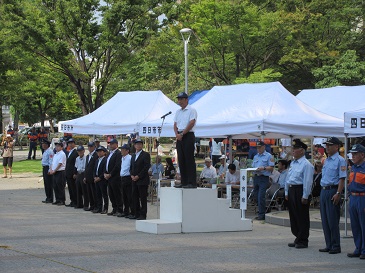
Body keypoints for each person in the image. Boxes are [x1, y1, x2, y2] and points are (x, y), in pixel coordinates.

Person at [318, 137, 346, 255]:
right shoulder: (327, 160)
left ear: (336, 146)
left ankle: (335, 245)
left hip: (333, 190)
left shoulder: (340, 160)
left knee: (332, 220)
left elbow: (342, 178)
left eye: (329, 145)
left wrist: (338, 193)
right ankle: (328, 244)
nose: (327, 147)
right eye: (326, 145)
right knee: (325, 220)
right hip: (324, 190)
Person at [285, 139, 314, 249]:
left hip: (300, 190)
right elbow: (289, 178)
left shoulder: (306, 164)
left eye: (295, 149)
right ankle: (297, 236)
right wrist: (287, 191)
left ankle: (303, 239)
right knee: (294, 215)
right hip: (292, 189)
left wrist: (305, 195)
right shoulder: (293, 163)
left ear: (302, 151)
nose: (293, 151)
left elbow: (307, 181)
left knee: (302, 216)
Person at [173, 92, 197, 189]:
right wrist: (177, 135)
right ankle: (184, 181)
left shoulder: (192, 110)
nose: (179, 101)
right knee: (181, 159)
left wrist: (182, 134)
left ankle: (192, 182)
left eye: (181, 99)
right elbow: (175, 125)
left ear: (186, 99)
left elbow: (192, 122)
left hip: (188, 135)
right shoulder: (178, 112)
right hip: (179, 135)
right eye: (179, 99)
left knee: (189, 159)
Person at [347, 144, 365, 259]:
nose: (352, 156)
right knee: (355, 225)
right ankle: (358, 248)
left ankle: (364, 250)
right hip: (353, 198)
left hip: (362, 198)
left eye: (355, 154)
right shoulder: (353, 167)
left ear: (362, 155)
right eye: (352, 154)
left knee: (363, 225)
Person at [252, 141, 275, 220]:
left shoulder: (269, 156)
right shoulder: (255, 156)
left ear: (264, 147)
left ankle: (262, 215)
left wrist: (264, 168)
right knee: (255, 195)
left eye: (260, 147)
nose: (258, 149)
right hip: (256, 177)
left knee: (261, 196)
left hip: (264, 177)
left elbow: (272, 168)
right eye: (257, 148)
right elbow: (253, 166)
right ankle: (263, 210)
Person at [130, 139, 151, 220]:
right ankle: (136, 213)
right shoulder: (133, 155)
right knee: (134, 196)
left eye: (140, 144)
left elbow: (146, 167)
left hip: (142, 180)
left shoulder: (145, 155)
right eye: (137, 144)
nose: (138, 145)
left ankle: (143, 214)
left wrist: (138, 176)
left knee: (142, 198)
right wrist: (132, 175)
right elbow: (131, 167)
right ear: (134, 146)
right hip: (134, 179)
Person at [104, 138, 122, 217]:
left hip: (115, 177)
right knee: (111, 194)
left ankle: (119, 209)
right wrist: (105, 173)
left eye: (112, 144)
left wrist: (110, 174)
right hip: (109, 177)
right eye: (109, 144)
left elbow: (117, 166)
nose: (110, 145)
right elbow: (106, 164)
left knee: (117, 193)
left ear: (116, 144)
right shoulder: (109, 153)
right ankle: (114, 208)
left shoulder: (118, 153)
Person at [49, 141, 66, 206]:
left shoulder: (62, 154)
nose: (57, 147)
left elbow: (60, 163)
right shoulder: (55, 154)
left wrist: (55, 170)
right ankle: (57, 199)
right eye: (56, 146)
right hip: (54, 172)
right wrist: (51, 169)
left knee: (60, 186)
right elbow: (53, 163)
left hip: (60, 171)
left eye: (58, 146)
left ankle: (62, 200)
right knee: (55, 186)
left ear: (61, 147)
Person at [83, 142, 98, 211]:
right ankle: (91, 205)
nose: (89, 148)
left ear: (94, 147)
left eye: (91, 146)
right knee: (89, 193)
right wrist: (85, 176)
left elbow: (95, 167)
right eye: (88, 147)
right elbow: (86, 167)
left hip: (93, 177)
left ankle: (96, 206)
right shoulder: (88, 156)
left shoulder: (96, 155)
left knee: (94, 193)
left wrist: (94, 176)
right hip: (88, 177)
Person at [119, 144, 133, 218]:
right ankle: (126, 210)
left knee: (129, 195)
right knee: (124, 196)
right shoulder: (122, 158)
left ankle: (132, 211)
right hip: (122, 178)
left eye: (123, 150)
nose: (122, 151)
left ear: (127, 151)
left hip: (128, 178)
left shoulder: (130, 158)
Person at [94, 146, 108, 214]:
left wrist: (100, 177)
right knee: (98, 194)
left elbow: (105, 170)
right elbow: (95, 169)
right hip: (96, 179)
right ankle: (99, 208)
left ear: (104, 152)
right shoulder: (97, 160)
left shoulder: (105, 160)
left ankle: (105, 208)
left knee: (104, 194)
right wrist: (95, 177)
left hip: (102, 179)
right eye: (98, 151)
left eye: (100, 151)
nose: (99, 153)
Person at [65, 138, 78, 207]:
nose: (70, 144)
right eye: (69, 143)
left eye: (71, 143)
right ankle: (72, 200)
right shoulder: (69, 152)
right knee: (70, 188)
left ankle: (75, 201)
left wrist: (75, 173)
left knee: (73, 188)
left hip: (72, 173)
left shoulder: (75, 152)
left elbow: (76, 164)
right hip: (68, 173)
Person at [73, 145, 87, 209]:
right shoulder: (77, 158)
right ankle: (79, 204)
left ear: (84, 151)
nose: (80, 152)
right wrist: (75, 174)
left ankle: (86, 205)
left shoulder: (86, 158)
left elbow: (86, 168)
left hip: (83, 173)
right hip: (79, 174)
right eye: (78, 151)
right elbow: (76, 167)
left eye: (81, 151)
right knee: (78, 190)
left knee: (84, 190)